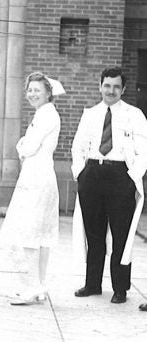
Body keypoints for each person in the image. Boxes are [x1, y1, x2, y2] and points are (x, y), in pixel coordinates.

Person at [72, 66, 147, 304]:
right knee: (94, 234)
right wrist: (80, 173)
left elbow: (144, 150)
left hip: (120, 176)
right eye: (107, 85)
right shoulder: (90, 113)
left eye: (116, 86)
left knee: (121, 235)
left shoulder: (134, 115)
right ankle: (93, 284)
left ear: (123, 89)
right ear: (100, 86)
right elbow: (77, 147)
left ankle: (120, 288)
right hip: (93, 173)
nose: (111, 90)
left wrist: (131, 176)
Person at [0, 72, 65, 305]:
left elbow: (29, 147)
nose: (32, 94)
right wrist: (24, 146)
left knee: (30, 233)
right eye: (30, 90)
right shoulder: (45, 114)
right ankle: (40, 285)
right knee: (41, 235)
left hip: (37, 177)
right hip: (40, 175)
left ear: (48, 92)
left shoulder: (46, 115)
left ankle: (34, 286)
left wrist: (21, 145)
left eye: (37, 90)